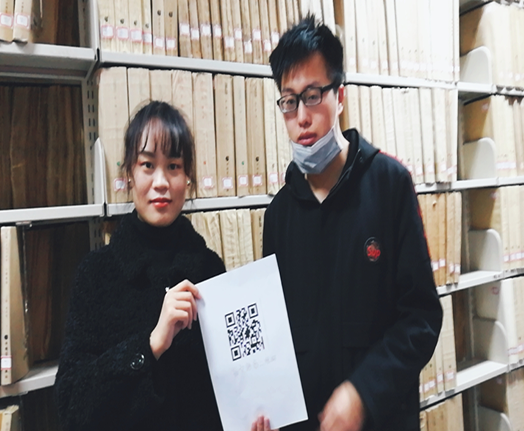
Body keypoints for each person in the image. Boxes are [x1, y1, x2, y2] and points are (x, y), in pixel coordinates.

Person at [263, 16, 443, 431]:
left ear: (339, 95)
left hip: (380, 418)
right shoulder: (279, 215)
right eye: (289, 101)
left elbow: (421, 318)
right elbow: (275, 334)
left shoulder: (389, 184)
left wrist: (363, 392)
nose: (301, 117)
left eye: (312, 96)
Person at [55, 101, 228, 431]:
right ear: (129, 175)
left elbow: (228, 384)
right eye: (148, 165)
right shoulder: (96, 273)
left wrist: (252, 413)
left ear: (188, 177)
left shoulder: (209, 268)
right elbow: (71, 404)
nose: (161, 182)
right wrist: (150, 345)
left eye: (174, 166)